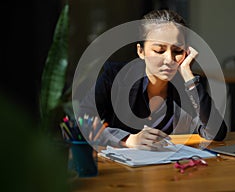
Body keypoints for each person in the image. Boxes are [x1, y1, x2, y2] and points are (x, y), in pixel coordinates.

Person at [78, 9, 227, 150]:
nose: (169, 59)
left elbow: (216, 133)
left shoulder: (189, 86)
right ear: (140, 51)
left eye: (177, 51)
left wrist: (188, 76)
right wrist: (127, 140)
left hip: (172, 171)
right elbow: (83, 121)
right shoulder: (115, 76)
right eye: (159, 50)